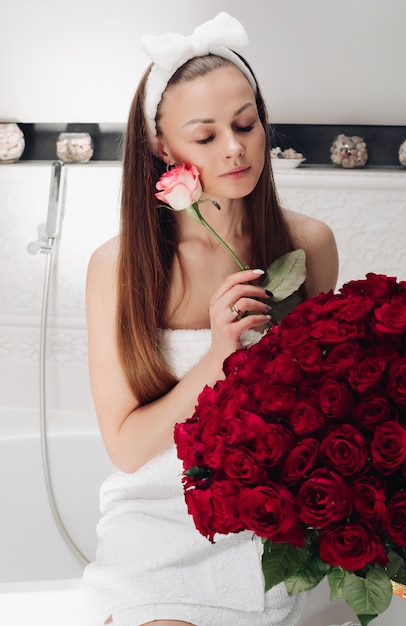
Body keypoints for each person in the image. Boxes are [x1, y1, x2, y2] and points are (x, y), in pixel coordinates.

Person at [81, 12, 338, 626]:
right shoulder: (117, 267)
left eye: (246, 124)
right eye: (206, 135)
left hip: (269, 516)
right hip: (156, 516)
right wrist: (219, 356)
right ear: (160, 147)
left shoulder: (307, 246)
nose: (235, 147)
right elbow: (128, 448)